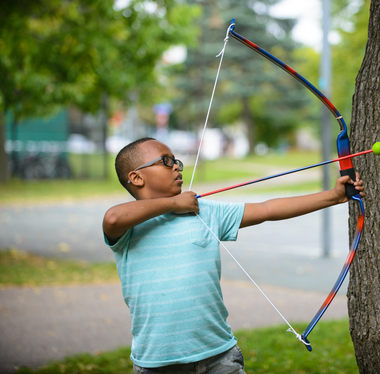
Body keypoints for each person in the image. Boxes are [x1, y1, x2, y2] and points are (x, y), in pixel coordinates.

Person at [102, 137, 365, 373]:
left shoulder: (203, 211)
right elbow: (112, 218)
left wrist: (333, 196)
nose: (176, 167)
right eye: (165, 161)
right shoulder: (128, 227)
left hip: (219, 357)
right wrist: (174, 204)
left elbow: (267, 209)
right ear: (136, 178)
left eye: (177, 161)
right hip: (157, 363)